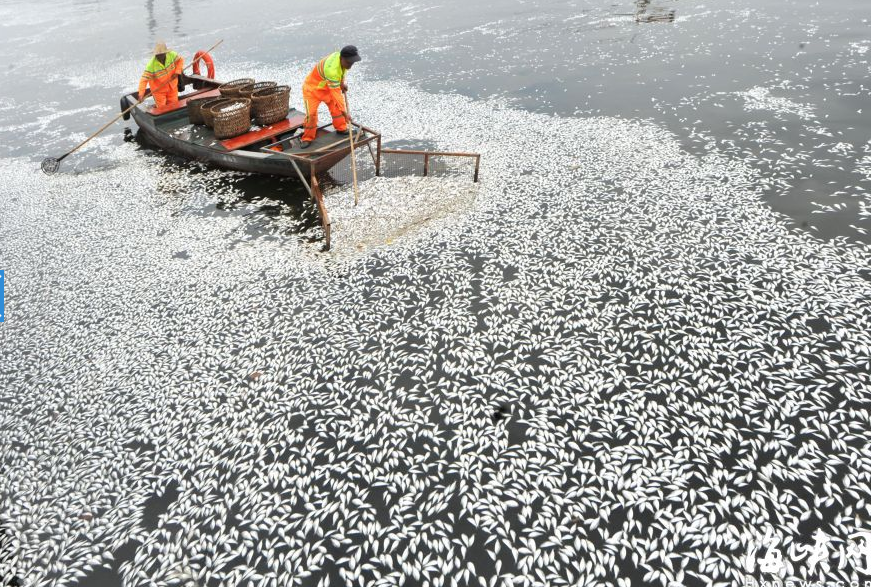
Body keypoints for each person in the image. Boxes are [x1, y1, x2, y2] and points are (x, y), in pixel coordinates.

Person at [300, 45, 361, 148]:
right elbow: (337, 95)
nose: (350, 65)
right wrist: (345, 113)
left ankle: (341, 129)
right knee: (311, 115)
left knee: (336, 109)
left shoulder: (342, 62)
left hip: (327, 88)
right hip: (312, 89)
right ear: (342, 58)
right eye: (349, 62)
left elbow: (340, 73)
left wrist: (341, 84)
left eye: (352, 63)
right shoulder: (331, 70)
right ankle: (307, 138)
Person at [138, 41, 184, 108]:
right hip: (159, 91)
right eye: (157, 54)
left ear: (165, 53)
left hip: (172, 87)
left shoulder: (172, 55)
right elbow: (143, 80)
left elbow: (181, 60)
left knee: (174, 106)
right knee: (162, 108)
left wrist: (177, 71)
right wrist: (141, 95)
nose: (159, 56)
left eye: (161, 54)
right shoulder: (151, 65)